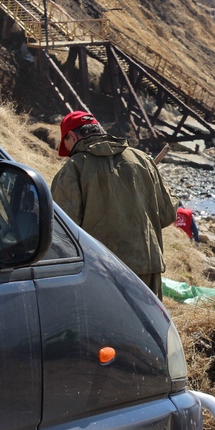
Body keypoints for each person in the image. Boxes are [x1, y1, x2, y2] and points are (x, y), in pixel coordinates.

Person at [51, 111, 179, 300]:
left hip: (100, 271)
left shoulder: (74, 167)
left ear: (72, 136)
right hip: (147, 268)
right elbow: (168, 214)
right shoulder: (142, 159)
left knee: (107, 328)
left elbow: (63, 228)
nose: (68, 152)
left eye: (67, 144)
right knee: (147, 327)